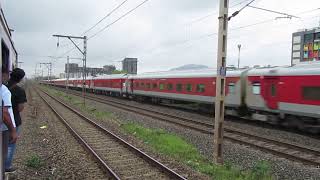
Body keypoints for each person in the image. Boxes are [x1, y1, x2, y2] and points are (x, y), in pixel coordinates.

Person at [5, 68, 26, 172]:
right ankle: (7, 166)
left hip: (2, 119)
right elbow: (20, 108)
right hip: (14, 121)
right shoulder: (20, 90)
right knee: (10, 144)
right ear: (20, 79)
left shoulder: (3, 86)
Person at [1, 66, 18, 178]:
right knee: (3, 154)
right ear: (3, 75)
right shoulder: (4, 90)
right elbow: (4, 113)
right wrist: (13, 130)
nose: (9, 77)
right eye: (8, 74)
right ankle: (3, 170)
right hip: (4, 128)